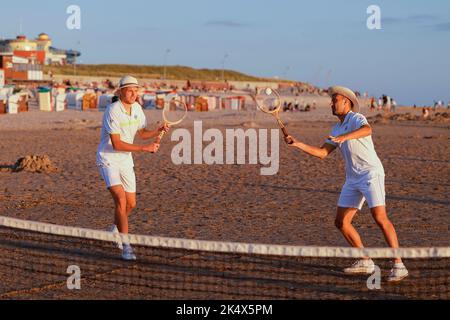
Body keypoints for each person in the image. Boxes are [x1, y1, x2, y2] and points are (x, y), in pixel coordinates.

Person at [285, 86, 408, 282]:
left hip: (371, 173)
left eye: (335, 100)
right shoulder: (336, 128)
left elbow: (368, 130)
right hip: (352, 178)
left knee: (379, 217)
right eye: (332, 100)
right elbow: (322, 153)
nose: (331, 104)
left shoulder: (356, 118)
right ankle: (365, 260)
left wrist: (345, 137)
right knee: (341, 222)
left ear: (346, 102)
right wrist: (297, 144)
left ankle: (398, 264)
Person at [96, 76, 169, 260]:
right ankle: (126, 246)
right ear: (120, 92)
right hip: (108, 159)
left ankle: (115, 228)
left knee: (131, 204)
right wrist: (144, 149)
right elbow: (117, 144)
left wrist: (158, 130)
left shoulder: (137, 109)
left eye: (136, 90)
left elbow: (142, 133)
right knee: (120, 200)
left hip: (126, 161)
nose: (133, 93)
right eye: (129, 90)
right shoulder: (113, 110)